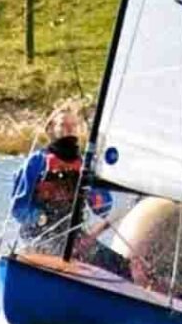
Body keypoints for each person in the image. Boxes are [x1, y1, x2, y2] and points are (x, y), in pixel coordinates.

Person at [10, 103, 131, 277]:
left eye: (72, 126)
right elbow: (18, 208)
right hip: (41, 237)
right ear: (51, 129)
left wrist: (92, 188)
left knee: (122, 267)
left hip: (75, 239)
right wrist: (39, 217)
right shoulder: (35, 163)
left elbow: (103, 208)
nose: (68, 130)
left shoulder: (85, 165)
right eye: (63, 125)